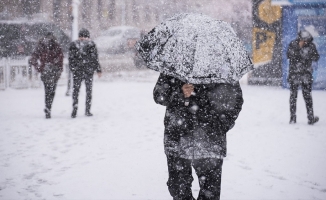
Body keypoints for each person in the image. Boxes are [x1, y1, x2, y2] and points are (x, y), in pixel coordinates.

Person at [153, 73, 243, 200]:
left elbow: (236, 100)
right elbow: (159, 95)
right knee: (178, 189)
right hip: (178, 138)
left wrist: (221, 125)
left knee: (210, 192)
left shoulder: (222, 67)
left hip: (211, 140)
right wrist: (180, 92)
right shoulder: (175, 64)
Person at [287, 30, 320, 125]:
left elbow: (316, 57)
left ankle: (310, 118)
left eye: (307, 40)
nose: (305, 42)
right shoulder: (293, 44)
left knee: (307, 97)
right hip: (294, 74)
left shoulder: (311, 46)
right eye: (303, 40)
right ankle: (292, 118)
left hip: (306, 75)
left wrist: (307, 54)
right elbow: (289, 55)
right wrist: (299, 48)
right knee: (293, 97)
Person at [68, 28, 102, 118]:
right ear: (88, 36)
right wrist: (98, 69)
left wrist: (73, 69)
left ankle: (74, 109)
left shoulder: (73, 44)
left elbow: (71, 59)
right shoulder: (91, 44)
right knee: (89, 91)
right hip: (88, 71)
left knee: (76, 91)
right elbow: (95, 58)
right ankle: (87, 110)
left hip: (77, 71)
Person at [29, 32, 63, 119]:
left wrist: (39, 67)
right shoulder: (56, 46)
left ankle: (48, 107)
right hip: (54, 70)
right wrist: (59, 69)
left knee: (47, 90)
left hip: (45, 70)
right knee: (52, 91)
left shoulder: (41, 46)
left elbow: (33, 58)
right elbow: (60, 59)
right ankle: (49, 107)